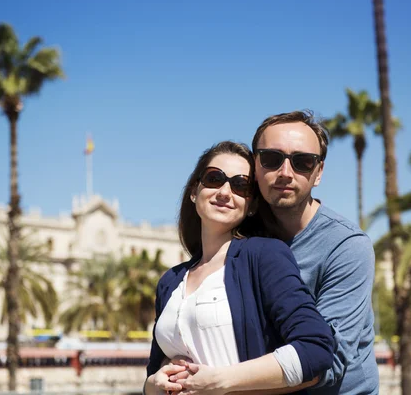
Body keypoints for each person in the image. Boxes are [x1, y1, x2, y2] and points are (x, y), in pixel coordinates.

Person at [144, 141, 336, 395]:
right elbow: (153, 373)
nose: (224, 192)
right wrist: (154, 385)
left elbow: (316, 348)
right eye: (214, 179)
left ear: (252, 204)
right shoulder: (171, 280)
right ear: (194, 190)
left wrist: (220, 382)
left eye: (240, 185)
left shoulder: (264, 256)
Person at [251, 110, 378, 394]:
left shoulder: (347, 246)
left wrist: (223, 384)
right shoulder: (240, 236)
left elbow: (325, 363)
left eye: (302, 162)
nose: (285, 173)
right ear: (255, 165)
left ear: (318, 173)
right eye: (271, 159)